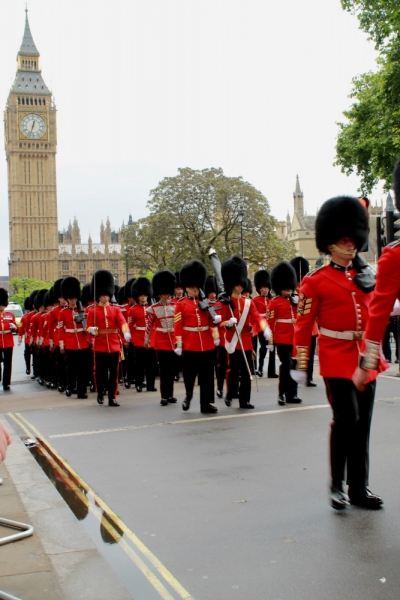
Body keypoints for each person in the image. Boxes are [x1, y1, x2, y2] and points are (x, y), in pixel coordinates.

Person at [292, 195, 384, 510]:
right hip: (335, 357)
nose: (351, 245)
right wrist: (301, 365)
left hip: (365, 356)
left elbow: (377, 313)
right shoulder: (314, 282)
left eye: (352, 240)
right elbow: (302, 328)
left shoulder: (364, 277)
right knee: (346, 419)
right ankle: (336, 484)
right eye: (344, 241)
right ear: (330, 244)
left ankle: (359, 487)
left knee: (364, 423)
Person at [220, 256, 270, 409]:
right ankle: (230, 393)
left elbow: (256, 316)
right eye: (236, 284)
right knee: (234, 371)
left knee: (247, 372)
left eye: (241, 284)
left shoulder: (248, 302)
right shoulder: (226, 303)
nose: (239, 287)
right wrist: (229, 323)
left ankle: (244, 400)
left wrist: (265, 327)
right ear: (231, 285)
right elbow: (220, 322)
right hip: (233, 340)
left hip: (246, 340)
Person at [173, 260, 221, 413]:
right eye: (192, 287)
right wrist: (179, 344)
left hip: (206, 343)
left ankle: (205, 403)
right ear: (187, 288)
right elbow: (178, 325)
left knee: (207, 376)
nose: (195, 289)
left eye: (196, 287)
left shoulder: (205, 303)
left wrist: (215, 321)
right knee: (189, 375)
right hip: (190, 343)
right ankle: (188, 396)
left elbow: (211, 322)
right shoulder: (181, 304)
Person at [86, 270, 131, 407]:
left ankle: (112, 397)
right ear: (98, 296)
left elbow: (122, 322)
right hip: (100, 345)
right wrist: (91, 330)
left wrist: (126, 332)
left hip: (114, 344)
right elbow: (87, 327)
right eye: (103, 295)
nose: (105, 297)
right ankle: (100, 392)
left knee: (114, 373)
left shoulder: (115, 309)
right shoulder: (91, 310)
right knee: (100, 373)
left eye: (107, 295)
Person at [268, 262, 301, 406]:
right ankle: (281, 394)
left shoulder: (296, 300)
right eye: (285, 287)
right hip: (282, 338)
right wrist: (270, 341)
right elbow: (270, 323)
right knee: (286, 366)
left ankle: (292, 394)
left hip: (296, 338)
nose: (287, 289)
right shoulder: (274, 302)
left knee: (295, 365)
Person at [145, 270, 177, 406]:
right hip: (161, 341)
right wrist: (146, 339)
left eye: (168, 294)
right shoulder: (152, 309)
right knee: (164, 370)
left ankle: (170, 394)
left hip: (174, 340)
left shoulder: (175, 306)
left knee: (172, 369)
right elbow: (149, 325)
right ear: (159, 294)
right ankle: (164, 396)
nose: (166, 296)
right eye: (164, 294)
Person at [59, 277, 89, 399]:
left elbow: (88, 327)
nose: (73, 300)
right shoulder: (63, 312)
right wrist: (62, 345)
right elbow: (60, 330)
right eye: (71, 298)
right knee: (71, 368)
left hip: (82, 342)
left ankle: (82, 391)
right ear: (67, 299)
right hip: (70, 342)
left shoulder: (83, 310)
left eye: (75, 298)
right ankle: (70, 386)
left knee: (83, 369)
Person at [290, 257, 318, 387]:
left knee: (310, 355)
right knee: (298, 353)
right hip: (298, 327)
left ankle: (309, 377)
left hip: (311, 327)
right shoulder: (292, 294)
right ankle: (298, 376)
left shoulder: (307, 290)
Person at [129, 277, 157, 393]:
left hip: (151, 338)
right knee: (139, 364)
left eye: (145, 295)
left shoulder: (153, 308)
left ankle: (151, 384)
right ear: (137, 296)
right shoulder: (133, 309)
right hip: (139, 338)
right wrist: (129, 338)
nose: (143, 297)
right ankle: (139, 383)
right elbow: (130, 325)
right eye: (140, 295)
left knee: (151, 364)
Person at [252, 270, 277, 378]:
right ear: (259, 289)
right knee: (263, 347)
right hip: (261, 326)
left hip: (271, 326)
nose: (265, 289)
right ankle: (260, 368)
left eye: (267, 287)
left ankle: (272, 371)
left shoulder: (272, 299)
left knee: (272, 347)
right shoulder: (255, 300)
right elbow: (255, 313)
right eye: (263, 287)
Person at [0, 288, 18, 391]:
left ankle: (6, 383)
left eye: (2, 305)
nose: (1, 307)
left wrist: (14, 327)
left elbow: (15, 327)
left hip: (8, 341)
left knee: (8, 363)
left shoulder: (10, 315)